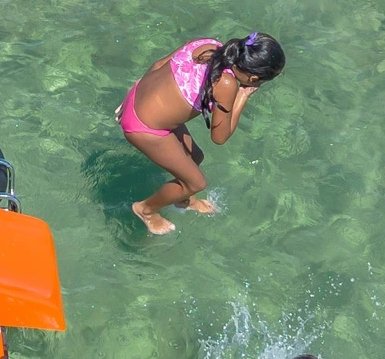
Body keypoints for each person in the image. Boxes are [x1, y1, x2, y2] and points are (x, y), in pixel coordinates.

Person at [118, 32, 286, 234]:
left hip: (139, 95)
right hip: (144, 127)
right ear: (253, 78)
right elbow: (219, 137)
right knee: (196, 182)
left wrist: (131, 101)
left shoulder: (208, 45)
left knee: (195, 157)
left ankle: (182, 200)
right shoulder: (226, 84)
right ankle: (146, 210)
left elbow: (157, 65)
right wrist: (243, 94)